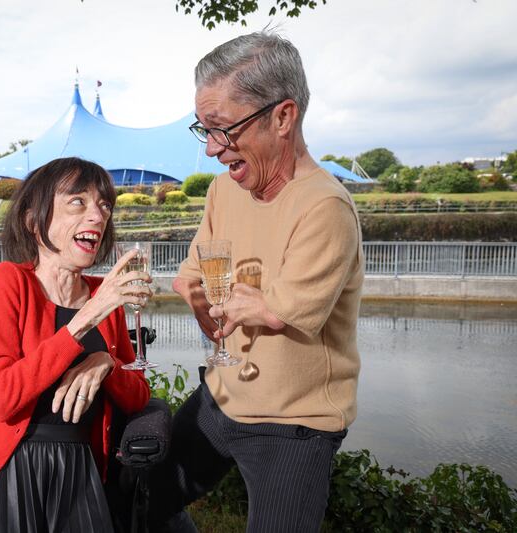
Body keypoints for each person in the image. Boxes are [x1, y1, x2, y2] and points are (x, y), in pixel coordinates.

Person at [148, 32, 364, 532]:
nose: (211, 148)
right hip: (220, 397)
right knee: (140, 495)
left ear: (283, 117)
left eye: (222, 128)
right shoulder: (224, 191)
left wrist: (246, 304)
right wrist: (197, 297)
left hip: (293, 424)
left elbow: (278, 312)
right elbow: (194, 275)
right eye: (203, 130)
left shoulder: (323, 207)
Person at [0, 157, 152, 532]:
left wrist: (105, 363)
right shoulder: (9, 283)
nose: (97, 216)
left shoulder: (105, 295)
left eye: (104, 205)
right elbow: (1, 398)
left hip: (80, 473)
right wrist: (87, 319)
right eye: (78, 202)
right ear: (33, 220)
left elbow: (137, 397)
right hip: (11, 470)